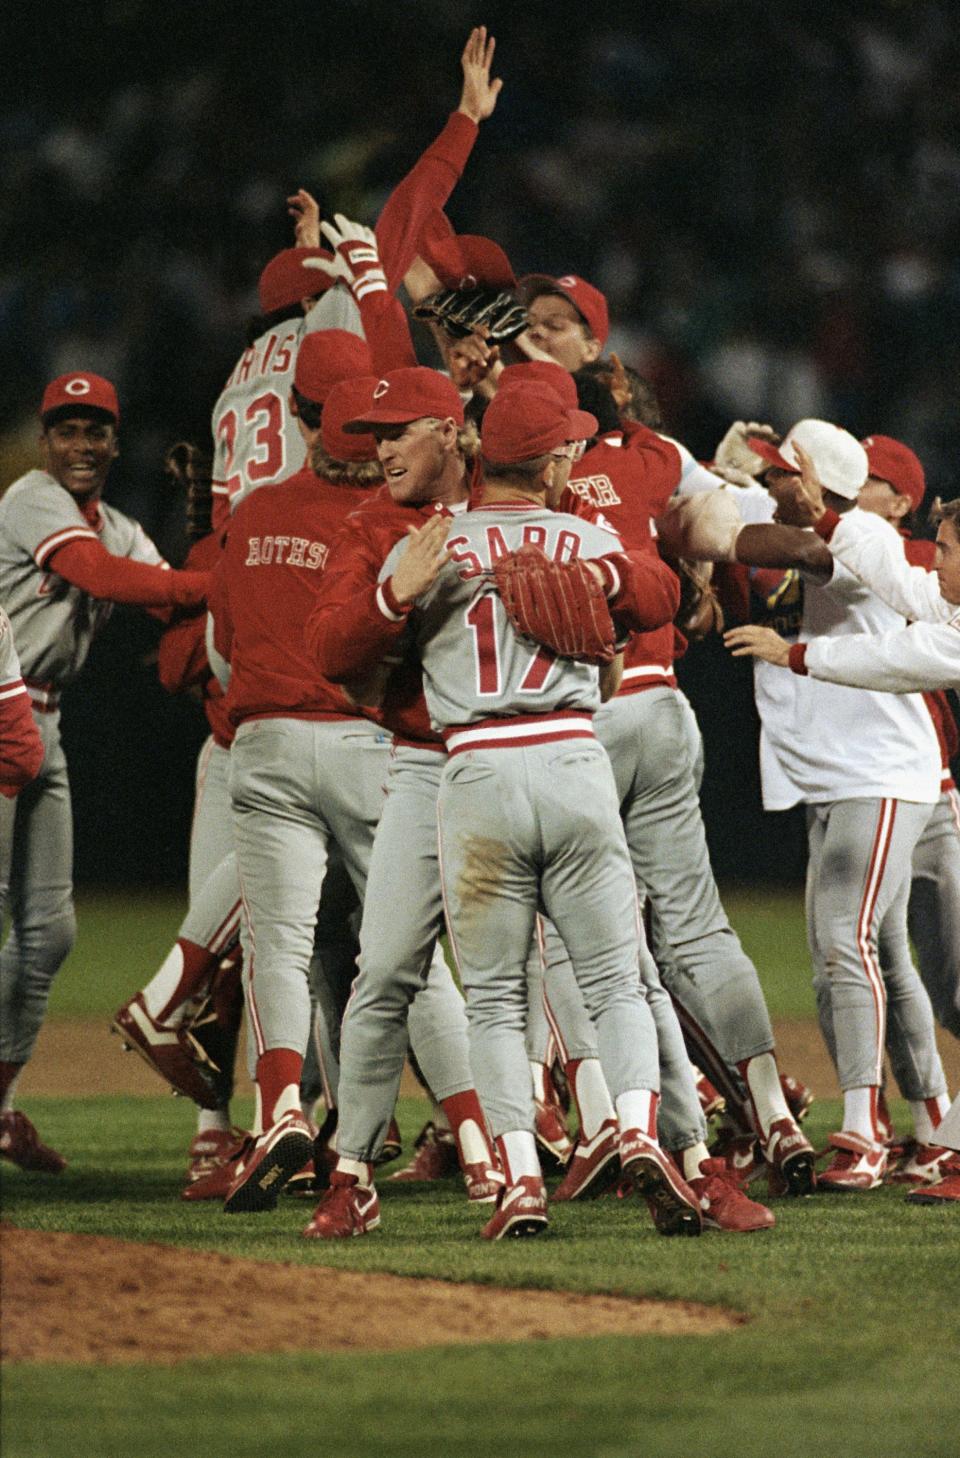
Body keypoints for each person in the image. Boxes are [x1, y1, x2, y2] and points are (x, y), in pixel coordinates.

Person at [706, 420, 951, 1189]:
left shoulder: (844, 548)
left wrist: (722, 500)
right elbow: (864, 549)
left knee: (860, 948)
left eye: (786, 475)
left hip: (884, 772)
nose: (932, 557)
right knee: (870, 956)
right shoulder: (882, 554)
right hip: (842, 774)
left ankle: (862, 1127)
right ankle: (935, 1121)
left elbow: (892, 645)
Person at [0, 372, 210, 1171]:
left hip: (45, 720)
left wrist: (226, 544)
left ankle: (3, 1110)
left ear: (116, 443)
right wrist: (212, 581)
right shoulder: (30, 499)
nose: (80, 445)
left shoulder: (121, 525)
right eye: (66, 429)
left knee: (49, 934)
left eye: (95, 431)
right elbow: (106, 579)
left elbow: (170, 605)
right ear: (46, 439)